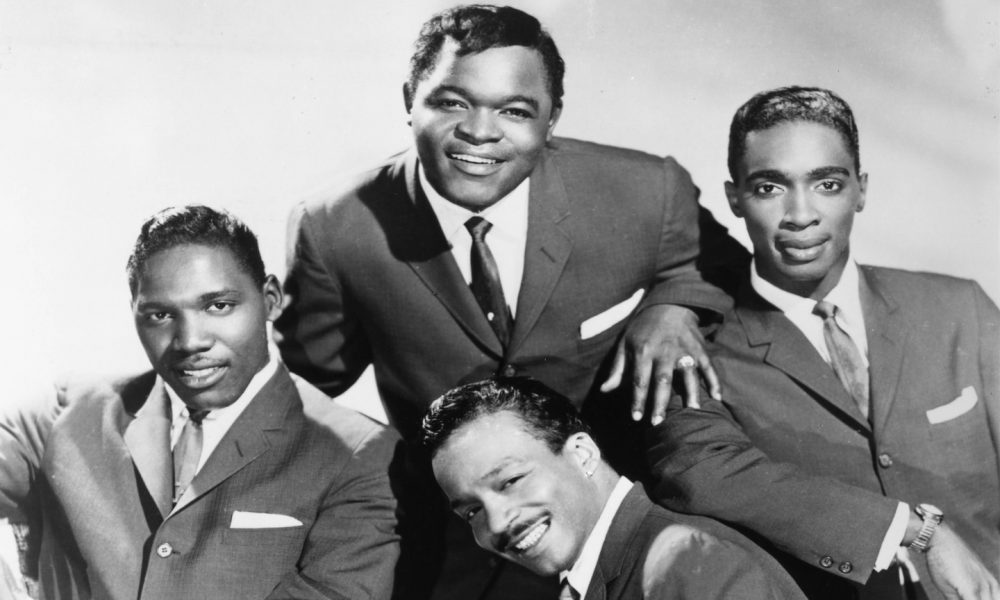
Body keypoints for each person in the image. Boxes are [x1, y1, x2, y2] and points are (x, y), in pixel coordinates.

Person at [276, 5, 745, 597]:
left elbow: (722, 266)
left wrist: (673, 307)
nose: (479, 131)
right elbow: (307, 379)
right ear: (408, 99)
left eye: (515, 111)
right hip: (456, 534)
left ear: (552, 120)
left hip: (617, 522)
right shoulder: (335, 227)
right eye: (451, 102)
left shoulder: (644, 193)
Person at [648, 86, 1000, 600]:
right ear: (734, 200)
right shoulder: (698, 352)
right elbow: (699, 475)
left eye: (827, 184)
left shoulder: (957, 308)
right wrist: (919, 532)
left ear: (861, 189)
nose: (800, 214)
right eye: (769, 188)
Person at [0, 206, 400, 600]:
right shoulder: (69, 409)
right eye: (159, 315)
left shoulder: (362, 452)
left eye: (218, 306)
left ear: (271, 299)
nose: (190, 341)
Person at [422, 378, 806, 600]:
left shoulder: (696, 566)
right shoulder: (595, 576)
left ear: (583, 454)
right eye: (471, 511)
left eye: (509, 481)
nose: (498, 521)